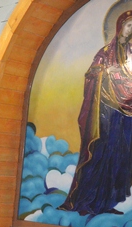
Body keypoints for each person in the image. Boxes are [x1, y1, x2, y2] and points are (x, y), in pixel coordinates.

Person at [59, 10, 132, 216]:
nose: (131, 30)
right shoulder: (105, 52)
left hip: (125, 113)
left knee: (118, 156)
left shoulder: (131, 52)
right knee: (100, 154)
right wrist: (105, 73)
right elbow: (91, 74)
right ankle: (88, 201)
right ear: (119, 27)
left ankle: (107, 202)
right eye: (128, 25)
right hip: (105, 112)